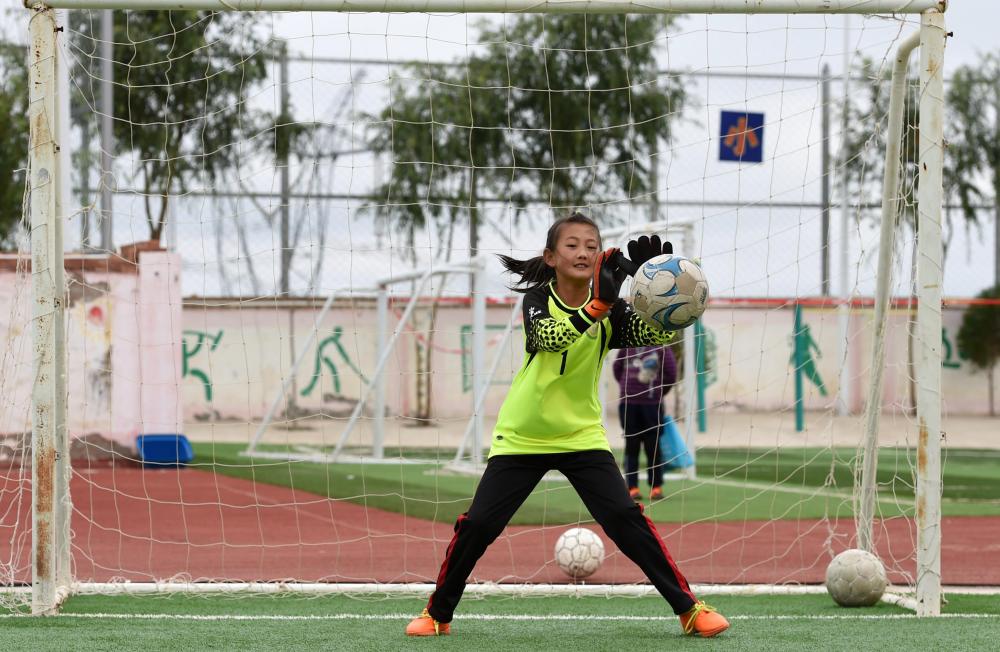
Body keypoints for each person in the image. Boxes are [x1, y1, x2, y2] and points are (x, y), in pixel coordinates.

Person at [404, 214, 729, 639]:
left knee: (624, 517)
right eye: (572, 245)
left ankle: (689, 609)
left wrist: (656, 292)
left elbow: (653, 334)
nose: (583, 252)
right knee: (479, 525)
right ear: (551, 257)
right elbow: (550, 338)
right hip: (523, 436)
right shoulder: (538, 299)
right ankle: (437, 613)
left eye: (591, 246)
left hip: (581, 436)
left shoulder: (612, 309)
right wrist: (598, 306)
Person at [613, 344, 677, 501]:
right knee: (631, 446)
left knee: (653, 447)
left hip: (652, 405)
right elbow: (617, 368)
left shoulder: (661, 347)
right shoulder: (626, 345)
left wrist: (658, 392)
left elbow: (671, 374)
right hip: (629, 404)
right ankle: (632, 487)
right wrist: (628, 388)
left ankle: (656, 487)